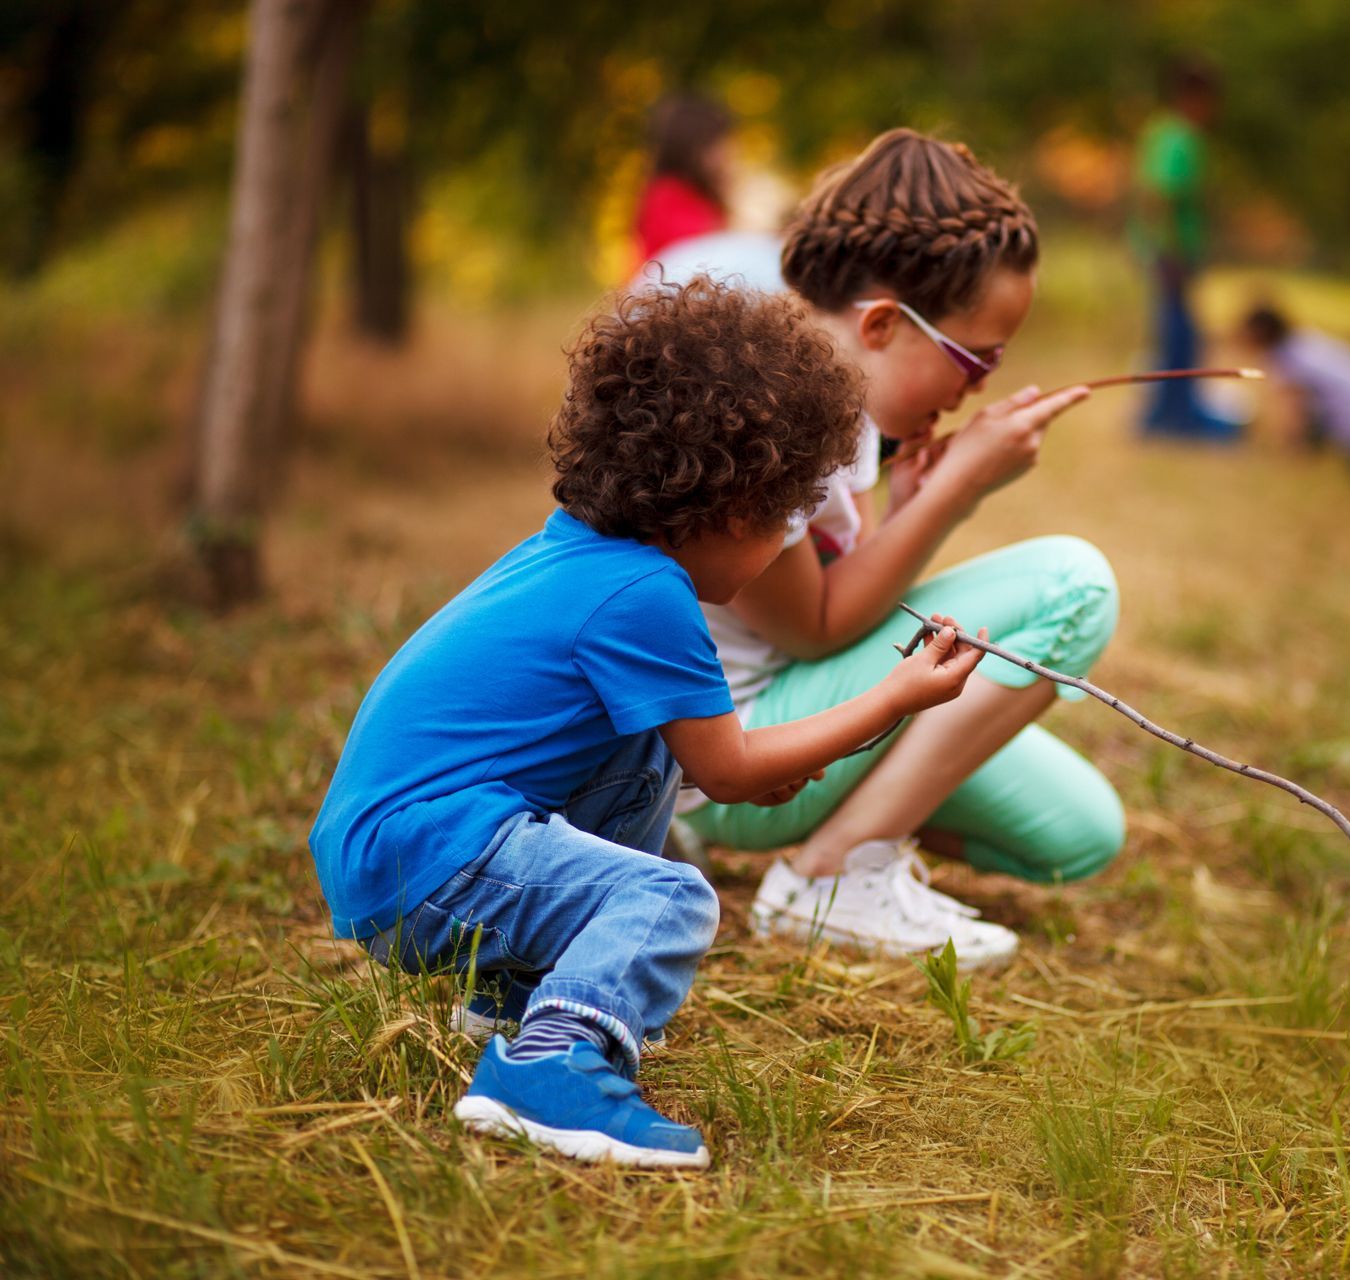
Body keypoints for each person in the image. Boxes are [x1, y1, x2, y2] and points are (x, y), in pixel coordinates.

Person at [307, 279, 989, 1167]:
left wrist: (734, 764)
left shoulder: (588, 555)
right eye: (790, 517)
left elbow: (709, 762)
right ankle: (548, 1071)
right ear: (737, 511)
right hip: (425, 854)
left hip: (397, 848)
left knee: (647, 758)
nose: (789, 542)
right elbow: (737, 769)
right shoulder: (647, 596)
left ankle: (518, 1005)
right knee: (666, 893)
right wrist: (894, 698)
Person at [677, 128, 1127, 970]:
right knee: (1075, 584)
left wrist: (907, 505)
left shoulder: (836, 403)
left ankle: (858, 837)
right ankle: (834, 874)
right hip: (735, 757)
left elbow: (819, 596)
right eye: (975, 356)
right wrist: (957, 490)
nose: (980, 386)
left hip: (794, 722)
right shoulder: (773, 416)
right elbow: (811, 629)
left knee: (1079, 833)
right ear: (882, 323)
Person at [1132, 59, 1240, 440]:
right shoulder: (1180, 136)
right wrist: (1169, 252)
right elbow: (1162, 194)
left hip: (1165, 252)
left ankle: (1171, 412)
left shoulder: (1162, 131)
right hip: (1172, 255)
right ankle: (1172, 417)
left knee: (1177, 333)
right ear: (1196, 96)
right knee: (1180, 337)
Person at [1243, 303, 1350, 480]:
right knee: (1317, 406)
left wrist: (1289, 449)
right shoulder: (1304, 340)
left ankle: (1349, 459)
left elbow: (1295, 410)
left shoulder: (1289, 358)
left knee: (1308, 412)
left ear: (1260, 331)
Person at [630, 94, 733, 274]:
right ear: (693, 148)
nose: (725, 154)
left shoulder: (700, 196)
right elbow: (696, 250)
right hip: (661, 292)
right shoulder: (666, 194)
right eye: (717, 145)